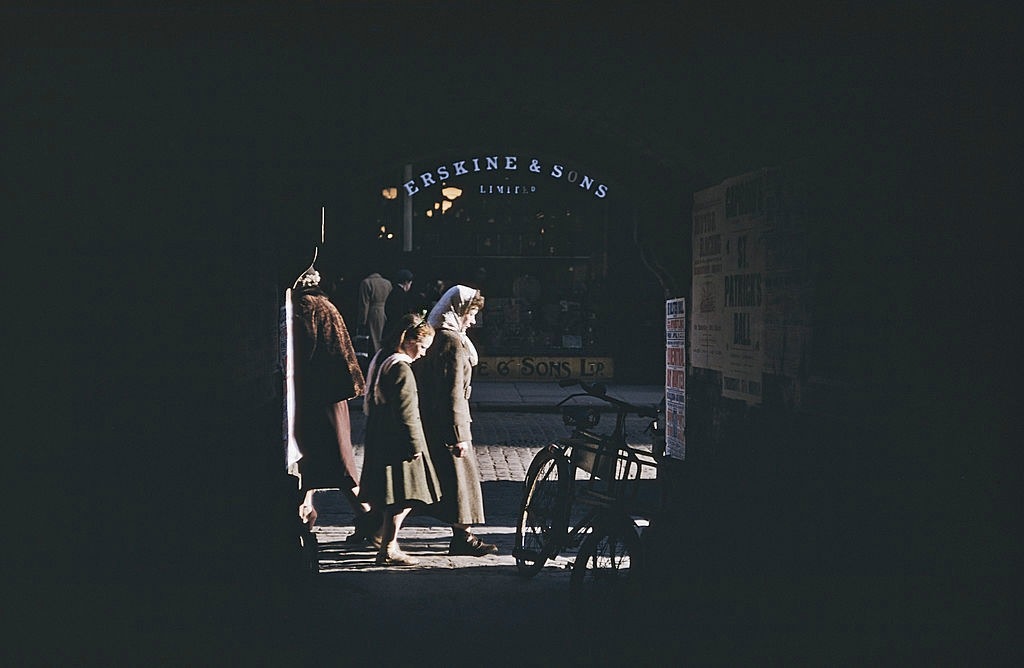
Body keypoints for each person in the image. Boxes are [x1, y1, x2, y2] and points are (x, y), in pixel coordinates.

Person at [290, 268, 381, 543]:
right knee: (315, 459)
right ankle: (305, 513)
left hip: (318, 394)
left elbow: (303, 351)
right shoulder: (323, 303)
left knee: (333, 461)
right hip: (329, 393)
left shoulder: (305, 306)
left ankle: (370, 519)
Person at [413, 285, 498, 557]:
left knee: (438, 481)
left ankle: (377, 527)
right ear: (458, 311)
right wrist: (459, 434)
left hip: (432, 419)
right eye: (471, 313)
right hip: (447, 425)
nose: (473, 320)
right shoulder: (453, 341)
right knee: (460, 481)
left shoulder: (438, 335)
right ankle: (463, 537)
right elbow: (453, 393)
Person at [359, 314, 440, 566]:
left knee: (393, 495)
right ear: (408, 340)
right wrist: (415, 445)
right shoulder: (401, 368)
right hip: (398, 440)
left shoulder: (382, 357)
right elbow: (408, 412)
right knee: (403, 496)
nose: (424, 354)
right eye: (422, 347)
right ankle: (388, 546)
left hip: (379, 433)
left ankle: (381, 537)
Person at [357, 271, 392, 352]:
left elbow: (364, 304)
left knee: (374, 339)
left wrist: (362, 321)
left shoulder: (366, 282)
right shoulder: (387, 283)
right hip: (384, 311)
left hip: (373, 313)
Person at [382, 268, 415, 342]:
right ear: (407, 282)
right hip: (398, 327)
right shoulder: (403, 295)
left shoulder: (393, 292)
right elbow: (403, 312)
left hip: (390, 324)